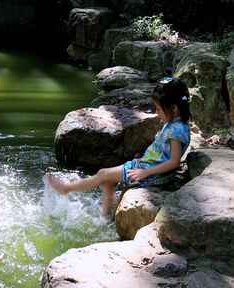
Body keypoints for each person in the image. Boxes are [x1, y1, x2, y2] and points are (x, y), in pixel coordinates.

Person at [46, 77, 191, 218]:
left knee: (103, 174)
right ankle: (106, 215)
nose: (156, 112)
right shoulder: (176, 124)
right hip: (146, 166)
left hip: (151, 173)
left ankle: (67, 189)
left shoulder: (176, 130)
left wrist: (145, 172)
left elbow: (174, 162)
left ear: (174, 108)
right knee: (107, 180)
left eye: (159, 109)